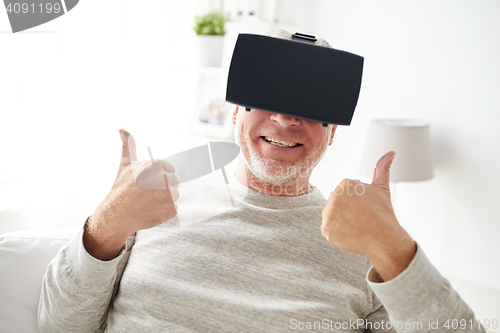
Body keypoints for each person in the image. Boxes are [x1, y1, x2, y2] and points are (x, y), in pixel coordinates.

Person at [38, 30, 485, 333]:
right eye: (266, 98)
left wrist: (394, 250)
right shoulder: (149, 207)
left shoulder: (365, 252)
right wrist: (105, 225)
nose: (287, 117)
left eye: (310, 106)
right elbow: (56, 324)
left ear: (332, 131)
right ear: (236, 111)